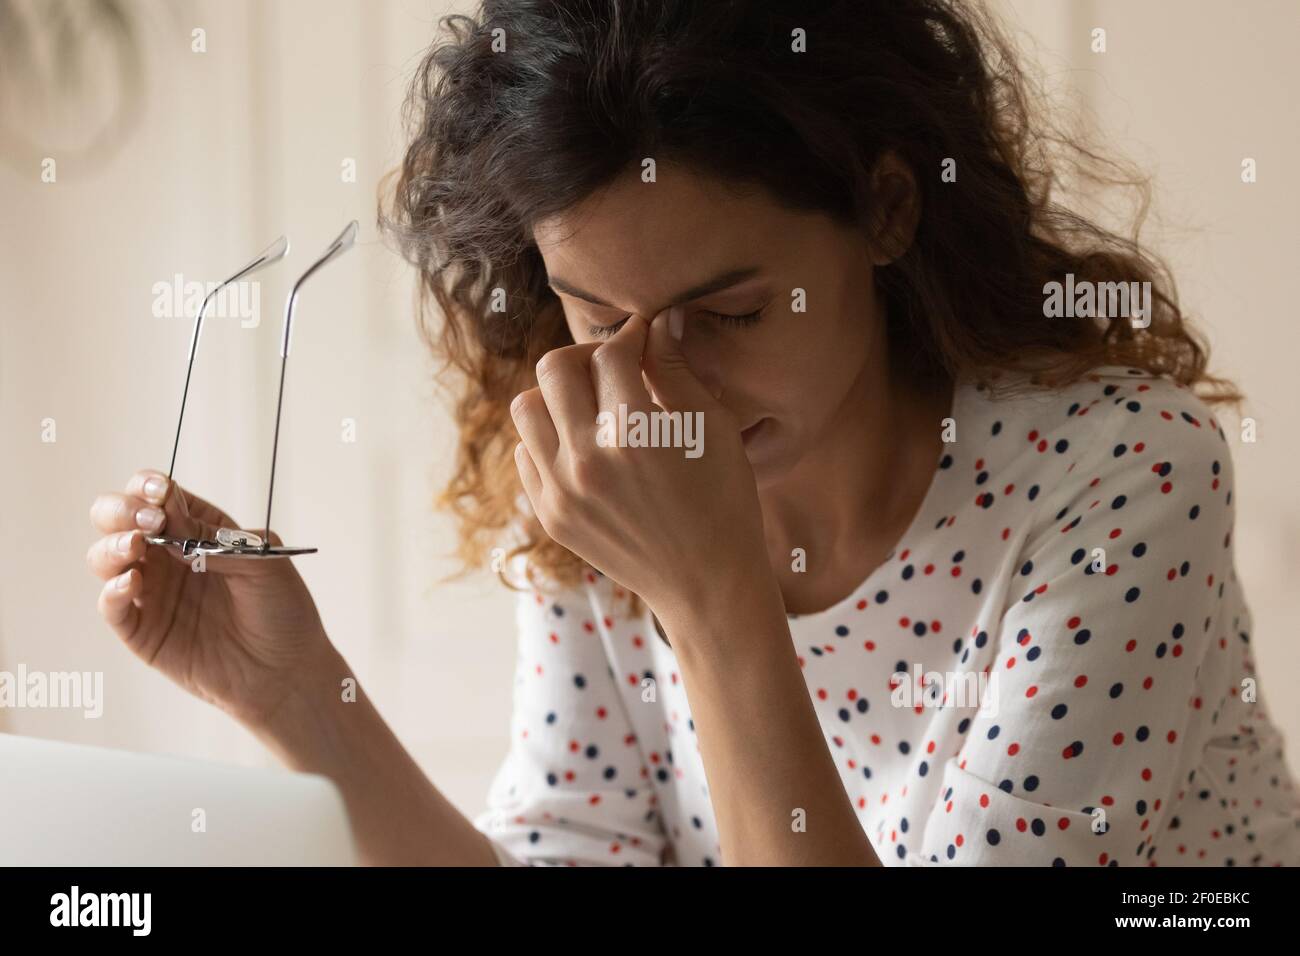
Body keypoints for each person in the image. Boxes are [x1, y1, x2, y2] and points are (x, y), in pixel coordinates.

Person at [86, 0, 1299, 866]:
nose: (662, 385)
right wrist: (299, 696)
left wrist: (717, 597)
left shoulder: (1118, 473)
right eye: (599, 312)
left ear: (884, 210)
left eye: (730, 311)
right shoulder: (603, 463)